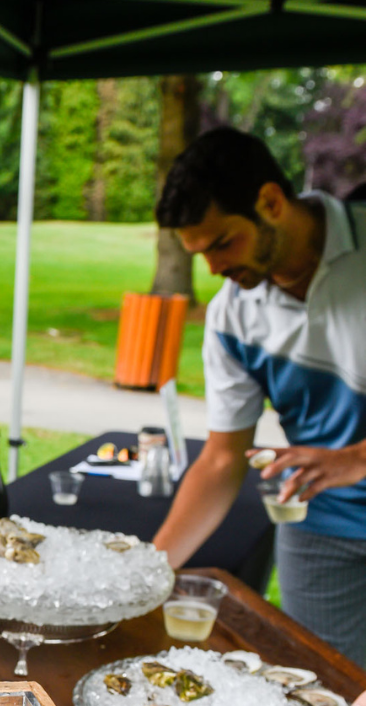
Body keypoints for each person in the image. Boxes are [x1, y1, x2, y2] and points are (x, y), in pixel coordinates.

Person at [152, 127, 366, 666]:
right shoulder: (232, 314)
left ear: (270, 202)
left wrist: (354, 460)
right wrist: (146, 573)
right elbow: (222, 459)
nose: (215, 269)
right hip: (320, 526)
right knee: (325, 695)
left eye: (222, 243)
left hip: (339, 482)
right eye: (199, 254)